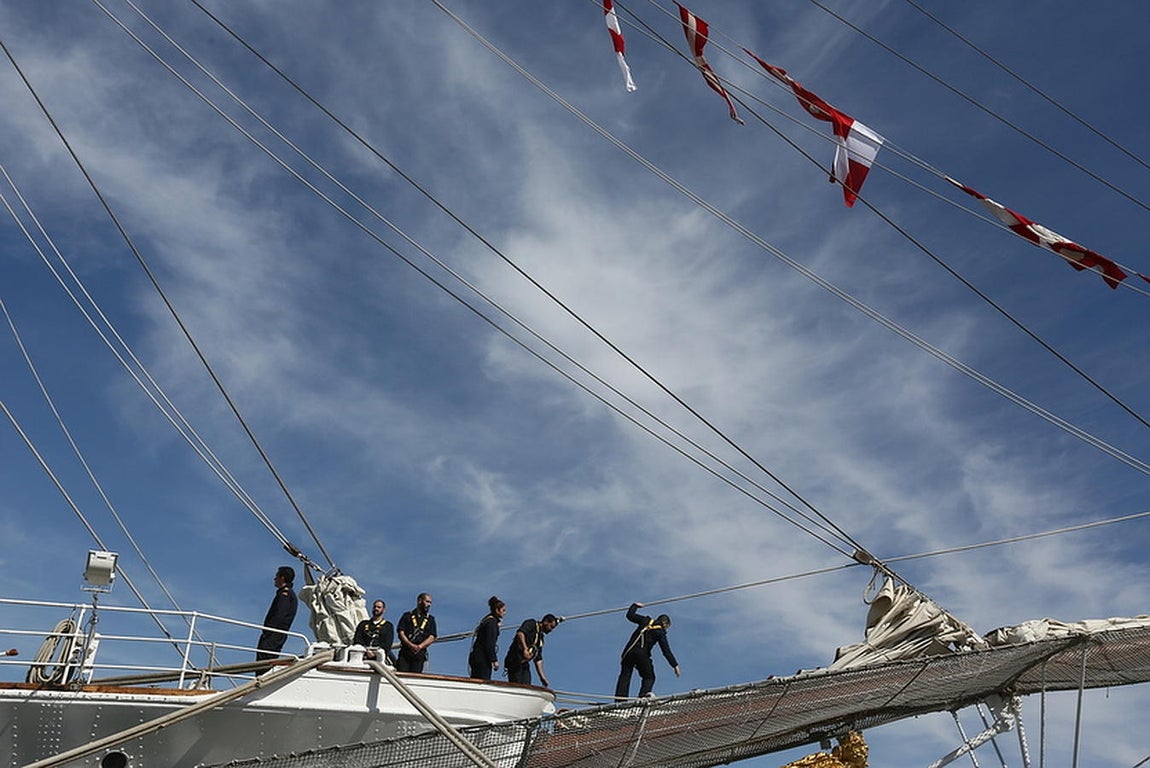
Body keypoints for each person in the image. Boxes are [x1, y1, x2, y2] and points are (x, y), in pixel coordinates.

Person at [614, 602, 680, 700]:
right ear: (665, 623)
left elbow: (630, 615)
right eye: (667, 627)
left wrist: (635, 606)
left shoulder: (645, 620)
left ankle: (620, 701)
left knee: (625, 674)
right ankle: (643, 697)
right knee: (649, 677)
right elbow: (666, 651)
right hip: (641, 654)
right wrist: (675, 665)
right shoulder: (660, 632)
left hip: (628, 652)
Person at [503, 613, 561, 687]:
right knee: (517, 685)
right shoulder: (531, 624)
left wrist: (542, 677)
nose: (551, 630)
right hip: (515, 661)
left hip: (524, 664)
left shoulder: (540, 638)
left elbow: (538, 659)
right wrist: (525, 649)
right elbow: (520, 633)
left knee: (527, 685)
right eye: (551, 627)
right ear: (546, 622)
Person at [256, 566, 298, 661]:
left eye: (276, 576)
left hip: (273, 636)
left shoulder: (285, 595)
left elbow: (280, 615)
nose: (275, 579)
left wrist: (268, 631)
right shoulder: (287, 594)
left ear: (282, 578)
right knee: (265, 661)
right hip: (275, 635)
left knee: (264, 661)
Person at [396, 592, 438, 673]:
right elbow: (401, 632)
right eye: (427, 601)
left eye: (430, 602)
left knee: (415, 676)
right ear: (419, 601)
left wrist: (420, 646)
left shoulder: (430, 619)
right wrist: (410, 644)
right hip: (405, 652)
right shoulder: (407, 616)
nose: (429, 604)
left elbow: (432, 636)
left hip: (419, 654)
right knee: (401, 674)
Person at [468, 596, 506, 680]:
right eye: (503, 610)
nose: (505, 613)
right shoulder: (491, 623)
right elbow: (489, 643)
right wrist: (494, 660)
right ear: (497, 610)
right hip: (482, 658)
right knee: (482, 681)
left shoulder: (487, 620)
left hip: (476, 656)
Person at [353, 599, 397, 665]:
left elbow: (387, 643)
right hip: (363, 655)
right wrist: (366, 651)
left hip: (380, 657)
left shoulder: (388, 626)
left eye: (379, 607)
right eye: (374, 607)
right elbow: (358, 639)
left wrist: (375, 653)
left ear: (383, 610)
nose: (376, 609)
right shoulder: (363, 624)